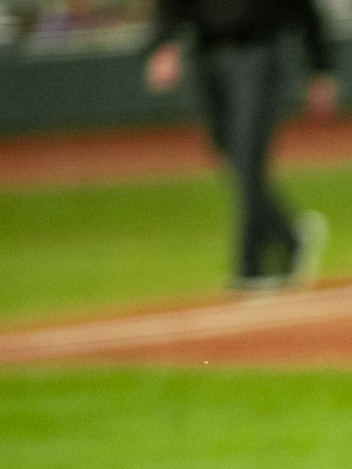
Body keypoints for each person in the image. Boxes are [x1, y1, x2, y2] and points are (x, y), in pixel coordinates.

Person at [142, 0, 336, 291]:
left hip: (257, 53)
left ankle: (250, 268)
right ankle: (289, 238)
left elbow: (304, 9)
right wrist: (163, 45)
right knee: (231, 153)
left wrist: (320, 68)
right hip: (207, 56)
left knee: (248, 157)